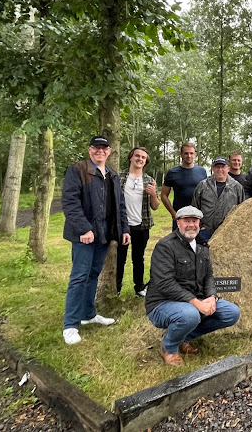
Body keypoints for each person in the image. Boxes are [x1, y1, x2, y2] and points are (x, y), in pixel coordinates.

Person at [146, 206, 241, 366]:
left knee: (232, 313)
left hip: (194, 301)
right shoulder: (165, 246)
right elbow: (165, 283)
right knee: (190, 315)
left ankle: (184, 337)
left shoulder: (202, 246)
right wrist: (196, 302)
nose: (191, 225)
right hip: (162, 303)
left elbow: (208, 276)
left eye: (194, 221)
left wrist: (212, 297)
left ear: (199, 223)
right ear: (178, 222)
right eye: (186, 221)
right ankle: (169, 347)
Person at [61, 135, 130, 345]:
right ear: (89, 149)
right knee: (79, 276)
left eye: (104, 148)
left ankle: (88, 314)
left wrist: (124, 229)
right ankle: (70, 325)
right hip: (85, 233)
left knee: (93, 274)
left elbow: (120, 204)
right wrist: (84, 228)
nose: (100, 151)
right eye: (96, 148)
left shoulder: (112, 174)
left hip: (105, 231)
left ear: (109, 151)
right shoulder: (78, 170)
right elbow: (70, 202)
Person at [117, 147, 160, 297]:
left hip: (141, 226)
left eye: (143, 158)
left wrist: (153, 195)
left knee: (138, 258)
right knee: (119, 258)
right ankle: (116, 287)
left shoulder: (149, 180)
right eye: (137, 156)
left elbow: (155, 206)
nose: (140, 159)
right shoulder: (119, 177)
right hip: (122, 225)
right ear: (131, 157)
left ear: (145, 161)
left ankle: (139, 287)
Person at [191, 156, 245, 240]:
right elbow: (195, 208)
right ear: (213, 168)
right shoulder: (203, 186)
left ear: (228, 169)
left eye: (223, 167)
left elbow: (241, 211)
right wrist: (200, 226)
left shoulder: (236, 187)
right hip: (205, 231)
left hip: (227, 232)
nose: (220, 169)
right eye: (217, 167)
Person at [161, 143, 207, 231]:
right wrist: (173, 214)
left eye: (191, 153)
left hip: (197, 216)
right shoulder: (172, 172)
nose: (189, 156)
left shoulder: (202, 171)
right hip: (180, 216)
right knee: (179, 239)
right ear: (181, 154)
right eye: (186, 153)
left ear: (195, 154)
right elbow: (163, 195)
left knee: (198, 239)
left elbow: (206, 194)